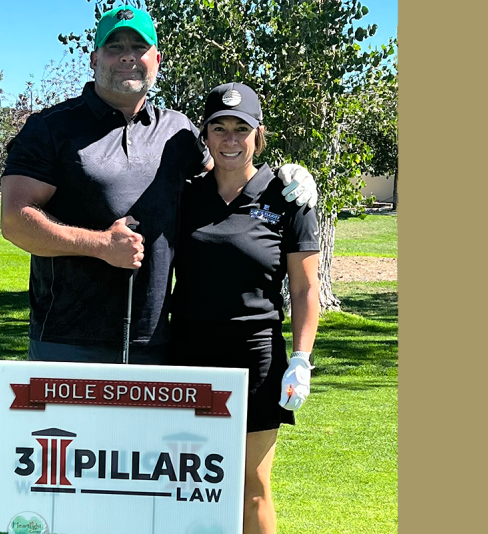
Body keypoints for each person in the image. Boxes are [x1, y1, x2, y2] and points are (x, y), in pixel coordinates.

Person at [0, 6, 317, 364]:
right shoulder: (50, 128)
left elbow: (230, 176)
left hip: (155, 342)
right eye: (114, 46)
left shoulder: (178, 132)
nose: (127, 56)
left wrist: (286, 176)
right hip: (67, 340)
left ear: (157, 59)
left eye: (139, 47)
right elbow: (14, 220)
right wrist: (101, 245)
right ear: (93, 59)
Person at [169, 82, 321, 534]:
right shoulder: (185, 194)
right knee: (188, 481)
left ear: (258, 135)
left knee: (252, 483)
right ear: (206, 135)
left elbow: (305, 287)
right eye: (219, 128)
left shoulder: (287, 196)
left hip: (255, 356)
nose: (230, 139)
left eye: (242, 128)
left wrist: (301, 359)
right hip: (189, 355)